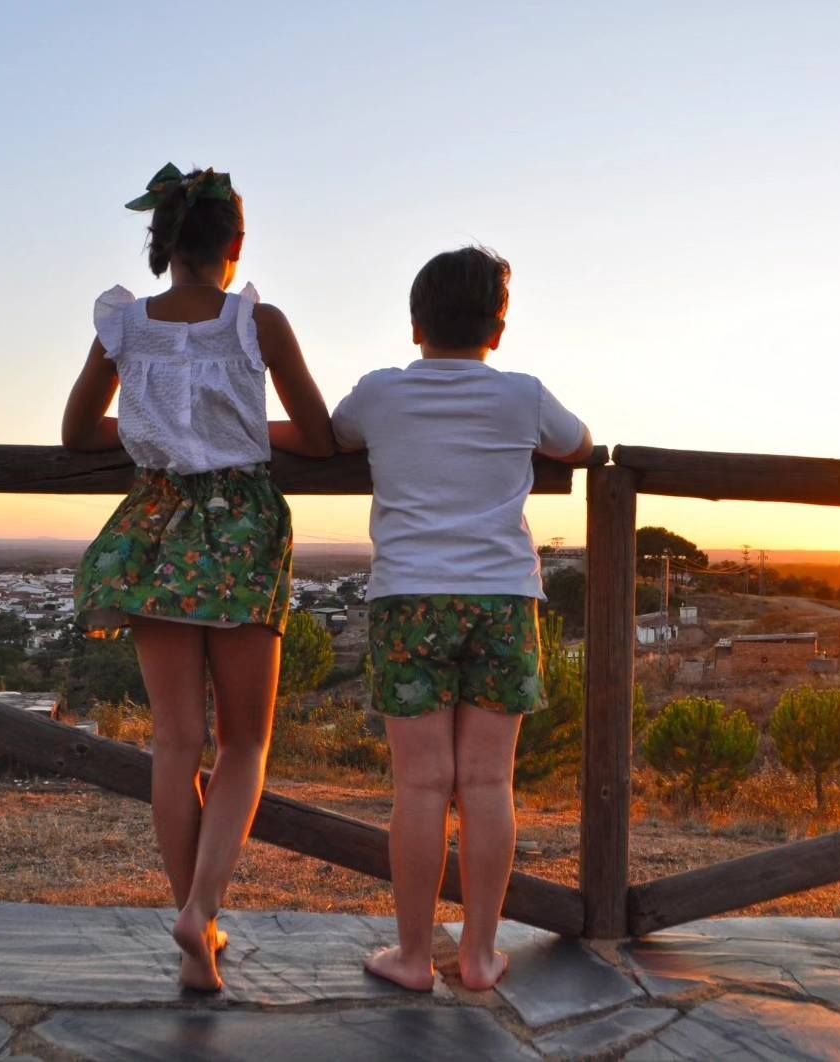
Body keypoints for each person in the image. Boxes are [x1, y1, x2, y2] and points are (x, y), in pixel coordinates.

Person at [63, 163, 334, 991]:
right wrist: (247, 431)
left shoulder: (125, 327)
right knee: (246, 739)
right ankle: (202, 911)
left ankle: (195, 927)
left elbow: (78, 433)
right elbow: (320, 437)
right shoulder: (260, 323)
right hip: (242, 526)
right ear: (236, 244)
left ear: (165, 244)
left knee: (174, 741)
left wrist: (152, 432)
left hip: (158, 522)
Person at [332, 246, 592, 992]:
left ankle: (414, 958)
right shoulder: (521, 394)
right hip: (503, 599)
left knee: (419, 786)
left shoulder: (383, 393)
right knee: (487, 783)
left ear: (415, 326)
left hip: (409, 597)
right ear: (498, 330)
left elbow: (337, 433)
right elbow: (578, 442)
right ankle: (479, 956)